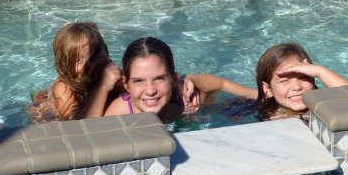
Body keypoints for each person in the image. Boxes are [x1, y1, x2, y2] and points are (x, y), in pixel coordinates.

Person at [104, 37, 256, 123]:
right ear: (126, 84)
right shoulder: (118, 114)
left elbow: (222, 84)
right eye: (138, 81)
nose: (150, 91)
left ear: (174, 79)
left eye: (159, 79)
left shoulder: (184, 96)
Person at [27, 22, 121, 122]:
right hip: (53, 108)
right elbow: (77, 125)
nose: (90, 65)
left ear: (105, 52)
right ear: (64, 65)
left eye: (94, 55)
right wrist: (103, 86)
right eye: (78, 60)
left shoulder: (108, 73)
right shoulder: (63, 88)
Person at [256, 42, 348, 123]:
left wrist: (319, 71)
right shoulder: (259, 114)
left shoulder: (324, 107)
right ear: (268, 89)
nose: (296, 87)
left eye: (304, 77)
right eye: (284, 80)